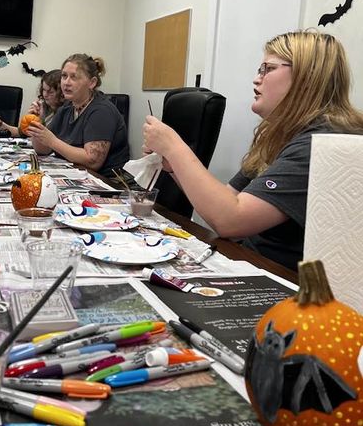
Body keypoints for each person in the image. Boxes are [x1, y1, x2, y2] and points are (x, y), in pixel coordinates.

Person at [142, 31, 363, 270]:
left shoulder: (321, 142)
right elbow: (224, 202)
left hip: (283, 280)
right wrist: (174, 167)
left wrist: (174, 147)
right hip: (250, 260)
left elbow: (231, 219)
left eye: (268, 69)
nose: (256, 79)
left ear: (307, 77)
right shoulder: (278, 134)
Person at [28, 53, 129, 175]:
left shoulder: (102, 111)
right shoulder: (66, 108)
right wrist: (37, 123)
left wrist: (52, 141)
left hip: (108, 182)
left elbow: (93, 161)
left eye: (74, 77)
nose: (66, 82)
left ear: (92, 83)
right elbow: (43, 150)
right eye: (64, 76)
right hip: (75, 175)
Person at [0, 69, 64, 136]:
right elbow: (21, 133)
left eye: (50, 92)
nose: (45, 95)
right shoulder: (45, 107)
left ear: (62, 93)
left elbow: (48, 140)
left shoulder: (66, 112)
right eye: (44, 90)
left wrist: (40, 120)